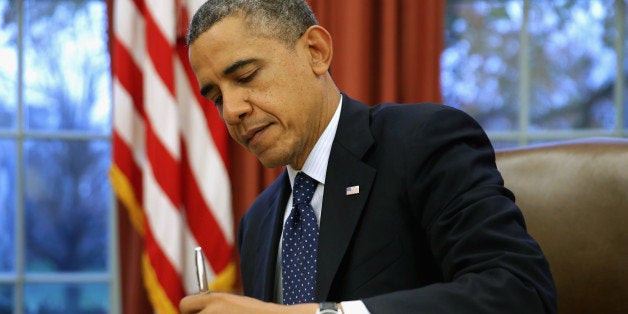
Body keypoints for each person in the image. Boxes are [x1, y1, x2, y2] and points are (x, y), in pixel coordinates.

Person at [180, 0, 557, 313]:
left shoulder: (423, 141)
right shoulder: (258, 222)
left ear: (316, 52)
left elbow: (520, 292)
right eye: (215, 98)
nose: (231, 111)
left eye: (245, 76)